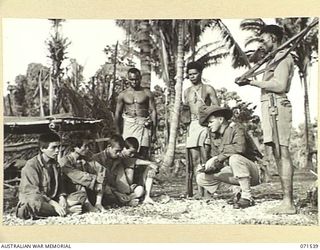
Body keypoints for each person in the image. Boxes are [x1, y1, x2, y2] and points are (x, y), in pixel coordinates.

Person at [236, 25, 296, 214]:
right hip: (269, 106)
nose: (262, 43)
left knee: (283, 152)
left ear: (273, 38)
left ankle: (289, 203)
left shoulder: (284, 57)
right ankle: (286, 200)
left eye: (264, 39)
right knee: (278, 153)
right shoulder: (273, 58)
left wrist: (251, 82)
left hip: (276, 105)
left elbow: (279, 85)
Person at [196, 106, 262, 209]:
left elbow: (240, 148)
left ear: (221, 119)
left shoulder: (236, 128)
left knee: (234, 158)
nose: (209, 125)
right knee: (202, 178)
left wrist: (218, 158)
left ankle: (247, 197)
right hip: (235, 171)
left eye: (211, 122)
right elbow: (218, 160)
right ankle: (236, 192)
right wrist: (211, 167)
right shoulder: (215, 136)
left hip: (255, 171)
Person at [16, 133, 85, 220]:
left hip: (52, 199)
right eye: (53, 147)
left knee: (81, 193)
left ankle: (59, 209)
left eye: (58, 147)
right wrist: (54, 203)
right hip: (38, 200)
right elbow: (32, 192)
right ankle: (67, 210)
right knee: (33, 202)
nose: (57, 151)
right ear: (42, 149)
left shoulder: (55, 164)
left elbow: (60, 186)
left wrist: (62, 197)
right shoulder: (31, 166)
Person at [183, 61, 220, 196]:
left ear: (200, 73)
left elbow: (217, 108)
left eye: (195, 74)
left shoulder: (208, 89)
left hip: (205, 125)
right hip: (192, 125)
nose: (192, 76)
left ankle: (208, 192)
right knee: (195, 160)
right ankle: (199, 191)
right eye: (190, 74)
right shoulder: (186, 92)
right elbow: (186, 110)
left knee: (206, 158)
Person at [115, 68, 157, 159]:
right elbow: (118, 112)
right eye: (132, 79)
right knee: (128, 153)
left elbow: (153, 111)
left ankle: (141, 172)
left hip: (143, 126)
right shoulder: (123, 94)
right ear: (128, 79)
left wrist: (154, 132)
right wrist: (118, 131)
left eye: (136, 79)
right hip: (129, 125)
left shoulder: (147, 93)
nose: (134, 82)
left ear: (140, 78)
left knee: (143, 153)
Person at [59, 132, 107, 212]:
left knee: (102, 176)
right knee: (79, 182)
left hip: (87, 190)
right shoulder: (64, 161)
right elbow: (77, 176)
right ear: (75, 147)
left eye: (88, 146)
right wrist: (95, 179)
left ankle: (98, 203)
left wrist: (99, 179)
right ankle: (88, 206)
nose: (88, 149)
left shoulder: (85, 158)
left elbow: (101, 169)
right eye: (85, 146)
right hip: (71, 191)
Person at [92, 134, 144, 207]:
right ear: (109, 147)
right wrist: (117, 193)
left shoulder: (118, 158)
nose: (119, 153)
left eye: (120, 151)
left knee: (140, 190)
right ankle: (125, 202)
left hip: (117, 189)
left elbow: (132, 161)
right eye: (117, 151)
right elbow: (99, 181)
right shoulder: (97, 159)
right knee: (107, 191)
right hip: (103, 189)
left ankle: (125, 199)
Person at [119, 137, 159, 204]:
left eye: (134, 153)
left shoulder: (132, 155)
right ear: (124, 148)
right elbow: (133, 161)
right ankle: (126, 199)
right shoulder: (119, 155)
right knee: (130, 169)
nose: (132, 155)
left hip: (131, 187)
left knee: (140, 190)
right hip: (120, 186)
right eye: (130, 152)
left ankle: (146, 197)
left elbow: (138, 160)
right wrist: (150, 163)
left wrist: (152, 166)